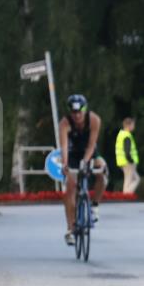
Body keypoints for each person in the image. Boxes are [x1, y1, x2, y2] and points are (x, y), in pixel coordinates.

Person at [60, 94, 108, 246]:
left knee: (102, 171)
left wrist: (86, 162)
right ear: (70, 112)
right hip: (73, 153)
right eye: (74, 112)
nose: (77, 115)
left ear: (85, 110)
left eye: (80, 111)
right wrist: (66, 164)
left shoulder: (94, 120)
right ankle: (70, 229)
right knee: (70, 186)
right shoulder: (65, 123)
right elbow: (64, 147)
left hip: (89, 151)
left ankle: (94, 205)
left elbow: (92, 144)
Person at [115, 117, 140, 194]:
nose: (134, 126)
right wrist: (131, 160)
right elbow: (127, 150)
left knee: (136, 179)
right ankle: (126, 195)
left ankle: (127, 194)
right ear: (129, 125)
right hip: (128, 162)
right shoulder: (127, 136)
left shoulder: (121, 134)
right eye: (133, 125)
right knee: (129, 180)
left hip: (122, 161)